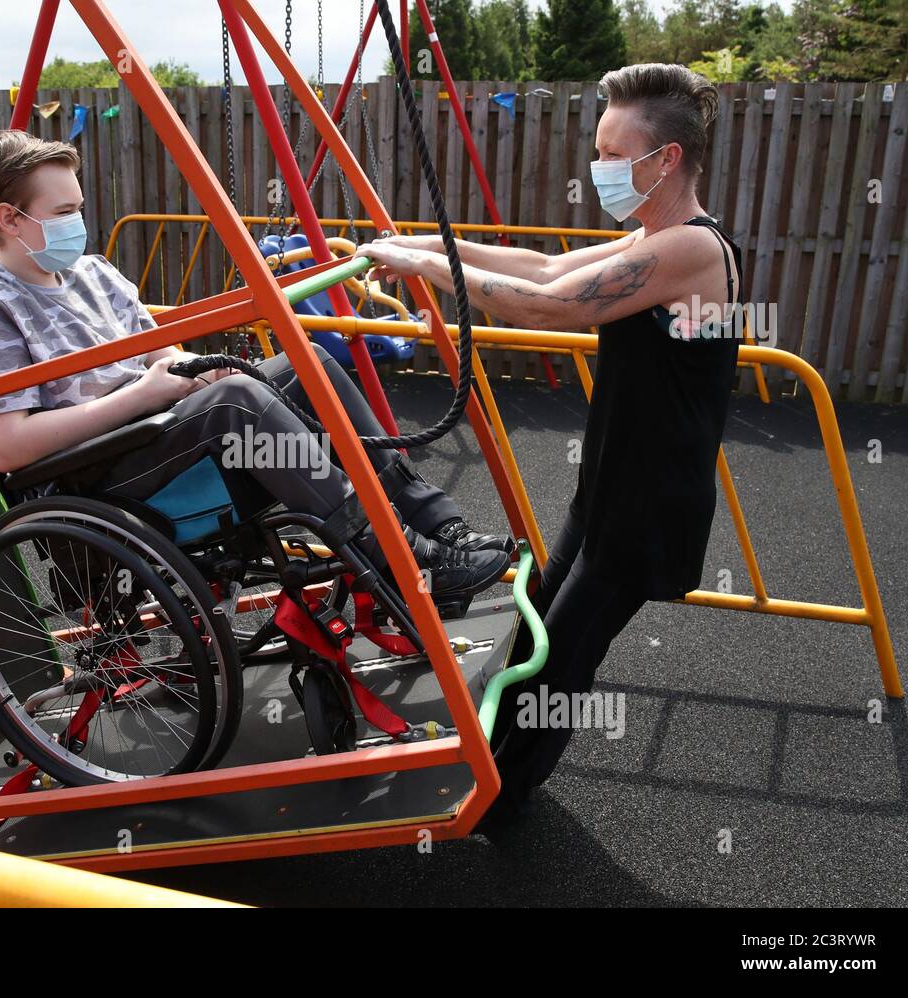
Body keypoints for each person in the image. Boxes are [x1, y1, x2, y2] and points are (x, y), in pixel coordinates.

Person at [356, 64, 743, 820]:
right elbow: (543, 265)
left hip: (648, 506)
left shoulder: (693, 251)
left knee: (561, 658)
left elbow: (546, 306)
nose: (597, 167)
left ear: (664, 160)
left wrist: (425, 266)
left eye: (609, 151)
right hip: (606, 490)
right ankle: (489, 772)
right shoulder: (653, 236)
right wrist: (425, 244)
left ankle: (503, 803)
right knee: (533, 633)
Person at [0, 129, 513, 611]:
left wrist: (192, 371)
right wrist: (144, 395)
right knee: (238, 400)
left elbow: (159, 354)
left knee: (305, 364)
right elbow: (7, 448)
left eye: (79, 210)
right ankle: (395, 558)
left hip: (151, 430)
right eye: (64, 213)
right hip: (93, 471)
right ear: (9, 219)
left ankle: (436, 525)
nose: (78, 223)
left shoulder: (92, 274)